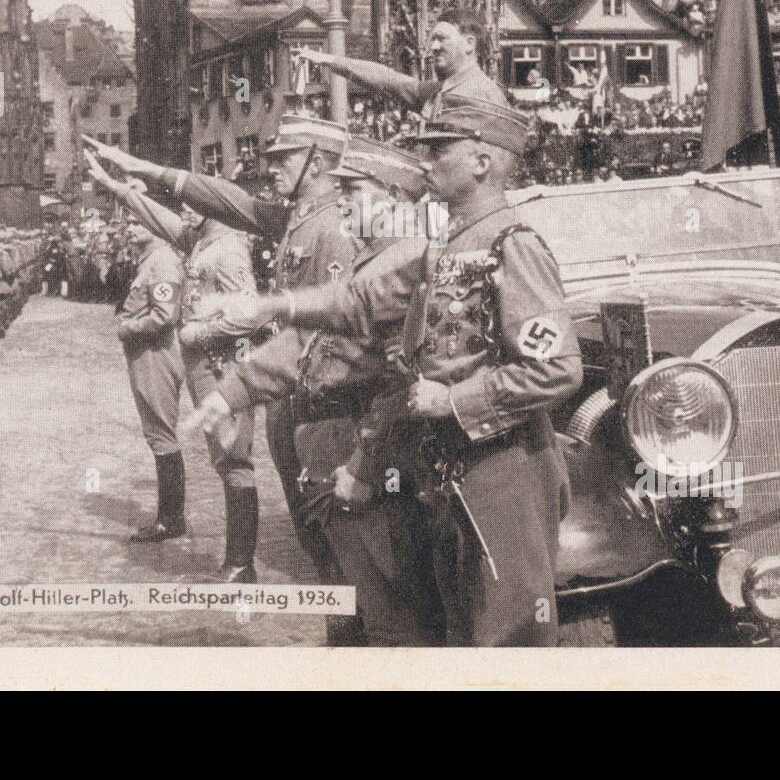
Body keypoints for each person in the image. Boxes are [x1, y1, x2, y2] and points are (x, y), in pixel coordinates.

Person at [195, 96, 583, 646]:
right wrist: (271, 308)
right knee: (461, 632)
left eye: (440, 149)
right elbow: (357, 302)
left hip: (506, 473)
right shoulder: (442, 249)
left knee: (509, 637)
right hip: (452, 471)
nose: (426, 161)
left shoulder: (510, 244)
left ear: (482, 161)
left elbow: (557, 370)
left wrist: (453, 402)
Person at [85, 117, 365, 641]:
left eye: (286, 157)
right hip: (288, 387)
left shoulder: (332, 227)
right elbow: (214, 198)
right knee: (310, 519)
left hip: (318, 393)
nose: (272, 164)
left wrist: (204, 336)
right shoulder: (293, 220)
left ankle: (347, 634)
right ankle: (343, 633)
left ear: (322, 163)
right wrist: (130, 175)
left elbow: (329, 324)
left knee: (334, 526)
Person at [181, 136, 446, 644]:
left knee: (394, 616)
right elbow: (308, 340)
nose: (343, 201)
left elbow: (402, 381)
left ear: (393, 199)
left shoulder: (406, 262)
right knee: (352, 597)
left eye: (356, 190)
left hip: (372, 458)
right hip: (337, 446)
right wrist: (231, 392)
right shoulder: (374, 261)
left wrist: (363, 463)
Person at [85, 151, 261, 581]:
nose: (184, 211)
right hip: (207, 363)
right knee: (224, 460)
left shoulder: (228, 250)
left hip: (224, 365)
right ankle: (237, 561)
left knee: (235, 460)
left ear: (210, 209)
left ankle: (241, 564)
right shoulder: (203, 241)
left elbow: (249, 313)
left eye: (193, 204)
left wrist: (195, 334)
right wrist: (117, 189)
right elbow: (159, 218)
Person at [114, 210, 188, 543]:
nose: (128, 228)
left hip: (156, 354)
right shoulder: (150, 260)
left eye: (134, 222)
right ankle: (170, 516)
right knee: (157, 433)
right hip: (146, 354)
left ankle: (171, 519)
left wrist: (127, 328)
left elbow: (164, 317)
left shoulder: (162, 262)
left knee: (161, 434)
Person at [294, 9, 507, 120]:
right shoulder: (439, 91)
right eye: (432, 39)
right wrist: (328, 60)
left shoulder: (485, 95)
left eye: (441, 39)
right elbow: (388, 80)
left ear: (469, 44)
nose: (432, 47)